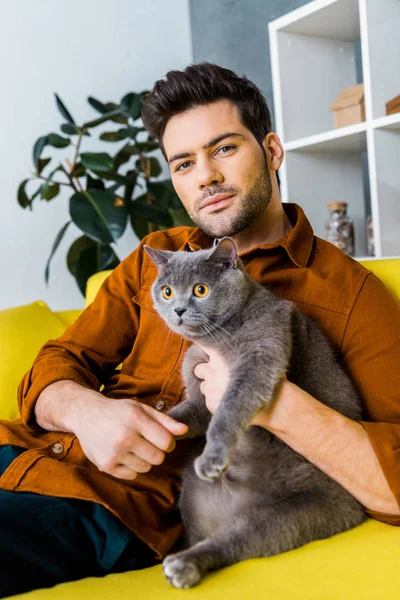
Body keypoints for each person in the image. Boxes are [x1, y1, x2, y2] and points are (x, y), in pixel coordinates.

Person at [1, 61, 400, 597]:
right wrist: (85, 411)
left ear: (274, 151)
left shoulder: (348, 295)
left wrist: (276, 403)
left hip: (103, 504)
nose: (205, 176)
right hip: (22, 447)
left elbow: (392, 475)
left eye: (225, 149)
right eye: (184, 163)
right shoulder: (154, 260)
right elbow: (58, 363)